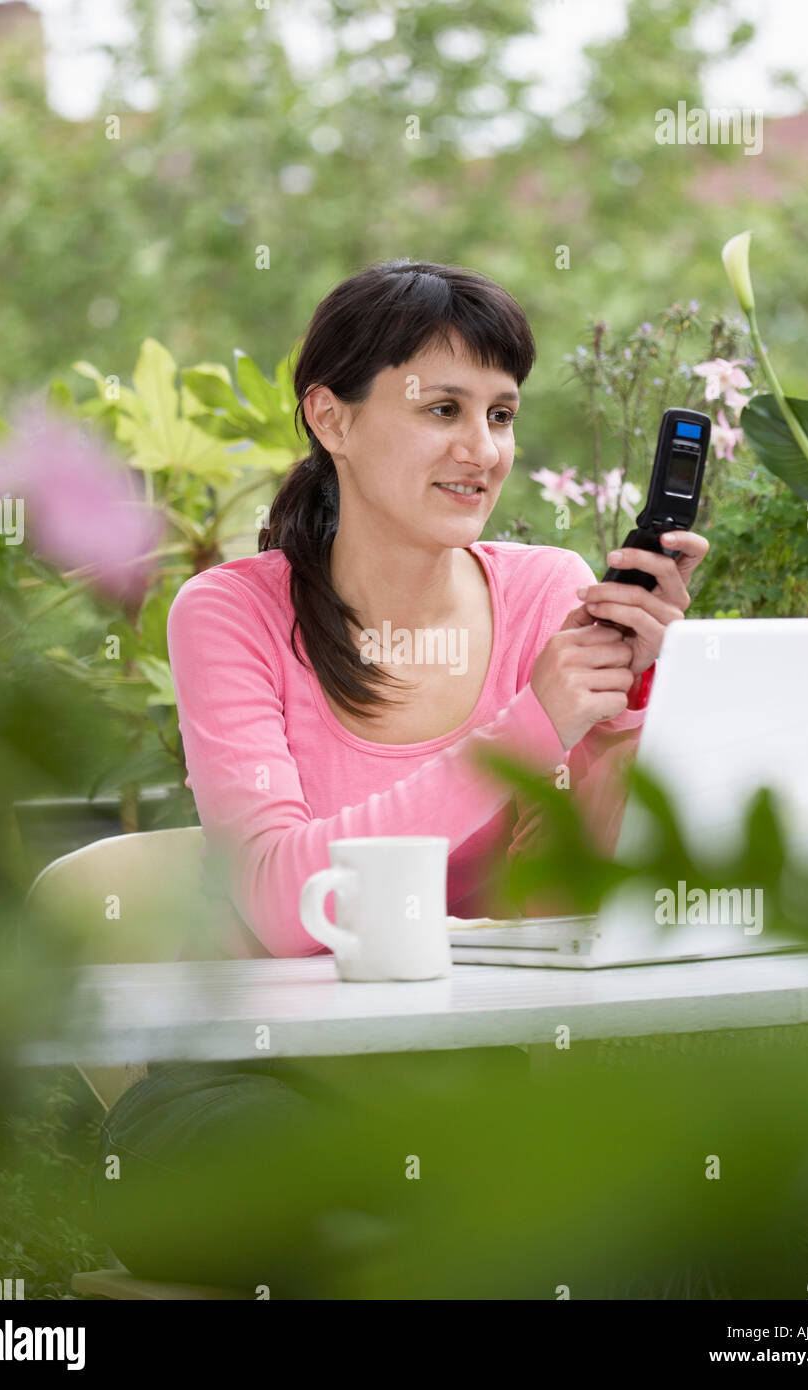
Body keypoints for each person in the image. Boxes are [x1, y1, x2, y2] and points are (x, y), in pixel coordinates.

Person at [89, 258, 708, 1292]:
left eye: (502, 414)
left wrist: (618, 722)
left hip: (466, 1079)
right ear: (329, 417)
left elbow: (564, 903)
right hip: (253, 1082)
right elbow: (289, 905)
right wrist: (531, 723)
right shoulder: (230, 612)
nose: (483, 450)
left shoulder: (545, 594)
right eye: (442, 409)